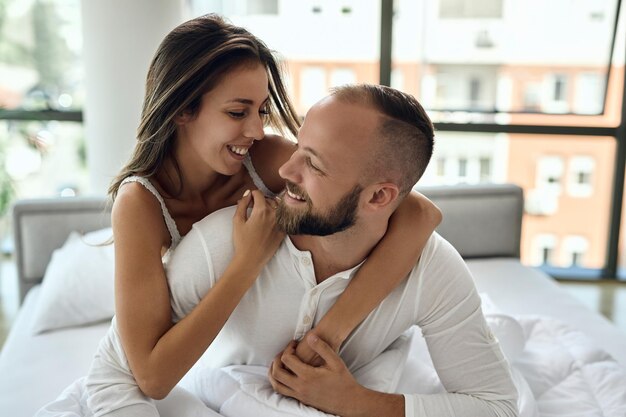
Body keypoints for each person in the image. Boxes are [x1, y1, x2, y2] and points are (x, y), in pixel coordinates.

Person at [36, 14, 441, 417]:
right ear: (182, 110)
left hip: (216, 358)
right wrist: (248, 260)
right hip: (127, 374)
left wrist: (329, 334)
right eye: (237, 112)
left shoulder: (265, 160)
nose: (257, 130)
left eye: (262, 111)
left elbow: (420, 214)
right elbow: (153, 378)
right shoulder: (141, 202)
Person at [166, 84, 519, 417]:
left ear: (379, 197)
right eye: (297, 148)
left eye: (315, 165)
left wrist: (356, 402)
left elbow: (497, 406)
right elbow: (131, 371)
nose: (285, 170)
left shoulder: (431, 269)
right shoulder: (223, 242)